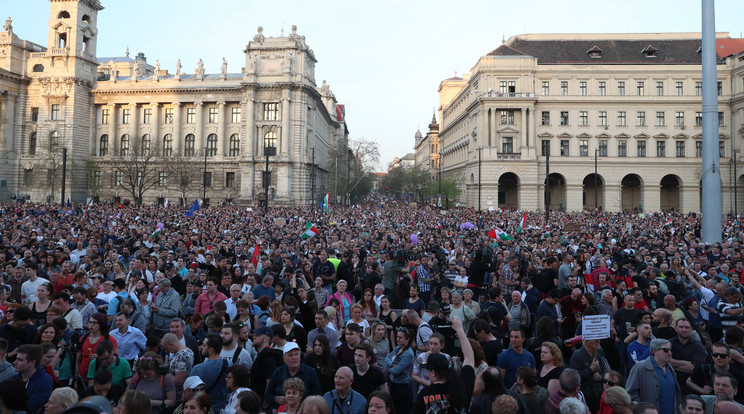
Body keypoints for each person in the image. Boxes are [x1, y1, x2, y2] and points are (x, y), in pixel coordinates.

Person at [412, 315, 475, 414]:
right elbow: (469, 357)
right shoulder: (461, 386)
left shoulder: (424, 394)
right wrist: (459, 329)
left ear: (433, 373)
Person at [626, 338, 682, 414]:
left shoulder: (670, 369)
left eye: (670, 350)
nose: (669, 353)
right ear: (655, 351)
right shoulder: (641, 367)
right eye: (665, 350)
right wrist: (641, 410)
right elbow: (631, 393)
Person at [265, 342, 321, 410]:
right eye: (290, 355)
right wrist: (276, 399)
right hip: (281, 410)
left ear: (300, 356)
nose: (294, 358)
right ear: (284, 358)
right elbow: (268, 395)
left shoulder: (310, 372)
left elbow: (318, 396)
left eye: (296, 354)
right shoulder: (278, 372)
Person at [191, 335, 231, 414]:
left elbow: (189, 392)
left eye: (204, 345)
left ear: (211, 350)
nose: (202, 347)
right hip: (224, 409)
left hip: (204, 409)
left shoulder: (198, 369)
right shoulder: (230, 364)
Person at [569, 338, 609, 413]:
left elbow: (605, 373)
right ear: (587, 342)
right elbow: (574, 378)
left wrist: (600, 377)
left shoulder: (597, 355)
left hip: (597, 398)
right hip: (585, 399)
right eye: (596, 340)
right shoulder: (577, 355)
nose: (599, 341)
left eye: (599, 340)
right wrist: (590, 369)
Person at [13, 344, 53, 414]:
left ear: (32, 362)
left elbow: (32, 408)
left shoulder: (45, 381)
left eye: (20, 360)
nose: (14, 363)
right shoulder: (13, 379)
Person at [383, 327, 415, 414]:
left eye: (400, 337)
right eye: (397, 337)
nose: (397, 339)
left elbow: (396, 371)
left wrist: (391, 367)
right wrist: (392, 365)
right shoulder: (398, 347)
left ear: (407, 339)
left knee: (400, 411)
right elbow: (386, 359)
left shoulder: (408, 354)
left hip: (403, 387)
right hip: (393, 384)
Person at [77, 312, 117, 378]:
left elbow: (116, 357)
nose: (91, 325)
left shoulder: (109, 339)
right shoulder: (83, 338)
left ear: (101, 324)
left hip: (102, 377)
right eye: (90, 322)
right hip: (84, 376)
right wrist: (77, 376)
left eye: (94, 323)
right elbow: (78, 360)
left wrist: (101, 357)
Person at [248, 327, 282, 401]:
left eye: (257, 335)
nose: (253, 336)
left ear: (265, 339)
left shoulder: (268, 356)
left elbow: (269, 382)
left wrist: (265, 403)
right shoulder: (263, 354)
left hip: (263, 402)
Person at [161, 333, 194, 397]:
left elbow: (179, 382)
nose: (166, 351)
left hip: (178, 394)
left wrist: (164, 372)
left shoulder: (181, 357)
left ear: (171, 345)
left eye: (166, 348)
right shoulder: (189, 350)